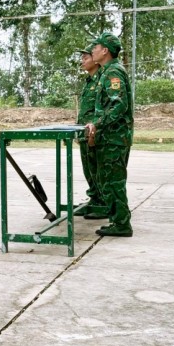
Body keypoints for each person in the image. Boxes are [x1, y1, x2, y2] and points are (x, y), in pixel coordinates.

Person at [85, 32, 134, 238]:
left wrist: (97, 124)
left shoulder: (113, 72)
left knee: (113, 181)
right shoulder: (107, 71)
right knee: (108, 180)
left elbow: (119, 104)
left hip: (114, 138)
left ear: (105, 51)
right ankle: (117, 219)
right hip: (110, 137)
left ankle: (122, 224)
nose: (92, 51)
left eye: (95, 47)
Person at [74, 44, 106, 220]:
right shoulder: (89, 81)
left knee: (97, 169)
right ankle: (94, 199)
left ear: (95, 59)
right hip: (84, 132)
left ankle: (102, 203)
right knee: (88, 169)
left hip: (95, 133)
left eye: (85, 58)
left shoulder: (102, 79)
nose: (82, 61)